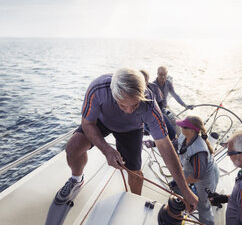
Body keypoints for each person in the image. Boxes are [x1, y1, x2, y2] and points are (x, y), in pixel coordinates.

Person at [54, 68, 198, 212]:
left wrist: (185, 190)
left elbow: (165, 145)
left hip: (132, 129)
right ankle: (76, 180)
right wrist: (107, 150)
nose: (129, 110)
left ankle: (134, 201)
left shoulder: (149, 105)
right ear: (113, 94)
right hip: (102, 121)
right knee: (73, 148)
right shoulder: (98, 88)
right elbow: (87, 123)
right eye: (122, 105)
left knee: (135, 174)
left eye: (135, 105)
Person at [172, 116, 220, 225]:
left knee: (204, 205)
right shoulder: (183, 136)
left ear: (192, 131)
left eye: (183, 126)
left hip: (206, 178)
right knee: (176, 185)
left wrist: (182, 182)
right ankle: (190, 197)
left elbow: (198, 176)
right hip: (191, 169)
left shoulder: (199, 152)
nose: (180, 127)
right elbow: (173, 145)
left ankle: (207, 223)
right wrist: (154, 144)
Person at [140, 69, 176, 140]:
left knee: (172, 133)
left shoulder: (154, 87)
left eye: (146, 80)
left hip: (156, 113)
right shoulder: (133, 92)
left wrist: (160, 115)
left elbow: (160, 103)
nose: (144, 83)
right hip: (142, 119)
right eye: (141, 80)